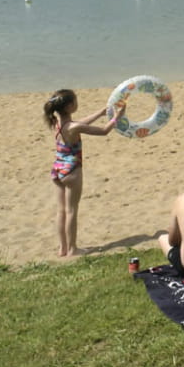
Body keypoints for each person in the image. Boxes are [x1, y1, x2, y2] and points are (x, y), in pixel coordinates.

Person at [45, 88, 122, 257]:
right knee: (72, 210)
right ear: (70, 106)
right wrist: (118, 117)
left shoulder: (58, 123)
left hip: (57, 170)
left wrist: (101, 112)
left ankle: (62, 248)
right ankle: (73, 249)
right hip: (72, 171)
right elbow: (103, 131)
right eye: (75, 101)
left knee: (61, 211)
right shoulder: (73, 127)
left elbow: (80, 124)